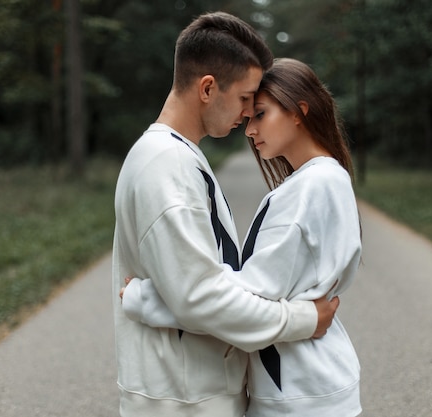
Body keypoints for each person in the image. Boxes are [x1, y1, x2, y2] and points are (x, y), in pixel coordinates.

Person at [112, 13, 340, 417]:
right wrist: (303, 319)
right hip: (183, 399)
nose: (248, 113)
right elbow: (201, 298)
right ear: (207, 88)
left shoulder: (178, 156)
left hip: (192, 392)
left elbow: (201, 285)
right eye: (244, 98)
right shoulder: (167, 165)